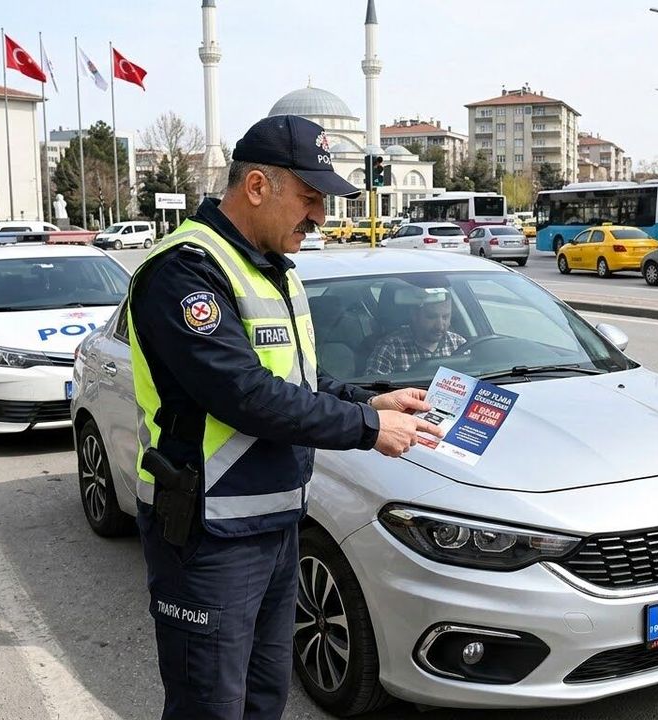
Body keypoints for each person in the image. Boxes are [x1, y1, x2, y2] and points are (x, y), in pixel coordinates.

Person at [126, 114, 443, 720]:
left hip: (275, 523)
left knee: (264, 699)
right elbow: (244, 394)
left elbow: (297, 378)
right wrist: (369, 429)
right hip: (209, 531)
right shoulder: (186, 270)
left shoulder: (272, 268)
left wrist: (368, 402)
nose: (320, 216)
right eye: (310, 197)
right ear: (256, 187)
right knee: (210, 706)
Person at [366, 290, 466, 375]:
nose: (440, 326)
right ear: (414, 315)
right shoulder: (390, 348)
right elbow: (375, 389)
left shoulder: (459, 344)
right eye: (431, 317)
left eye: (445, 317)